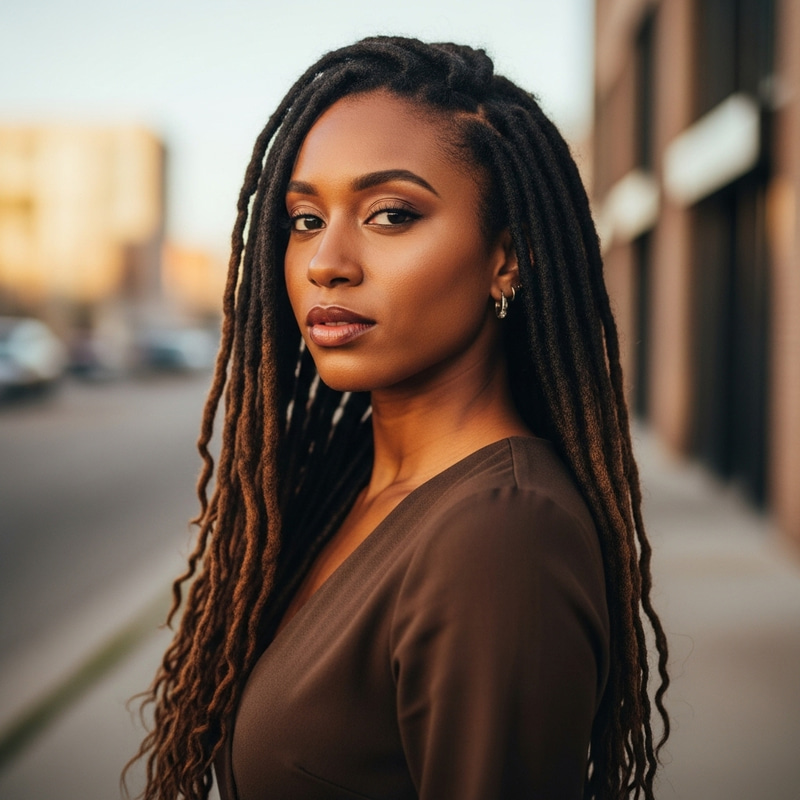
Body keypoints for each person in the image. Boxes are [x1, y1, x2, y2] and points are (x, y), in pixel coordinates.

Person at [128, 36, 669, 800]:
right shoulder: (352, 491)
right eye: (305, 219)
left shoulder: (500, 534)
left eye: (389, 214)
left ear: (506, 258)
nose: (326, 262)